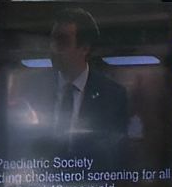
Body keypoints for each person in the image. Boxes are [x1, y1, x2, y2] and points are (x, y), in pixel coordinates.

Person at [37, 11, 139, 160]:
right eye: (52, 41)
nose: (53, 48)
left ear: (85, 48)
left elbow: (116, 155)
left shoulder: (113, 95)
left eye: (62, 41)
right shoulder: (34, 88)